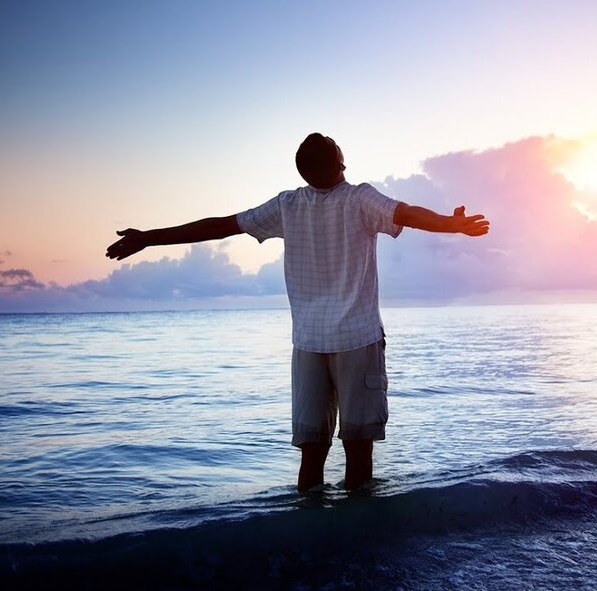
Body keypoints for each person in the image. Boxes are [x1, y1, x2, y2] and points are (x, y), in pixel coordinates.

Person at [106, 133, 489, 492]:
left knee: (312, 454)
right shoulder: (359, 199)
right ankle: (360, 534)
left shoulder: (287, 205)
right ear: (341, 163)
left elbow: (221, 227)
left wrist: (150, 237)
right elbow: (406, 214)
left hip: (308, 344)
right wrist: (451, 225)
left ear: (304, 173)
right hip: (357, 339)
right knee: (358, 450)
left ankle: (309, 534)